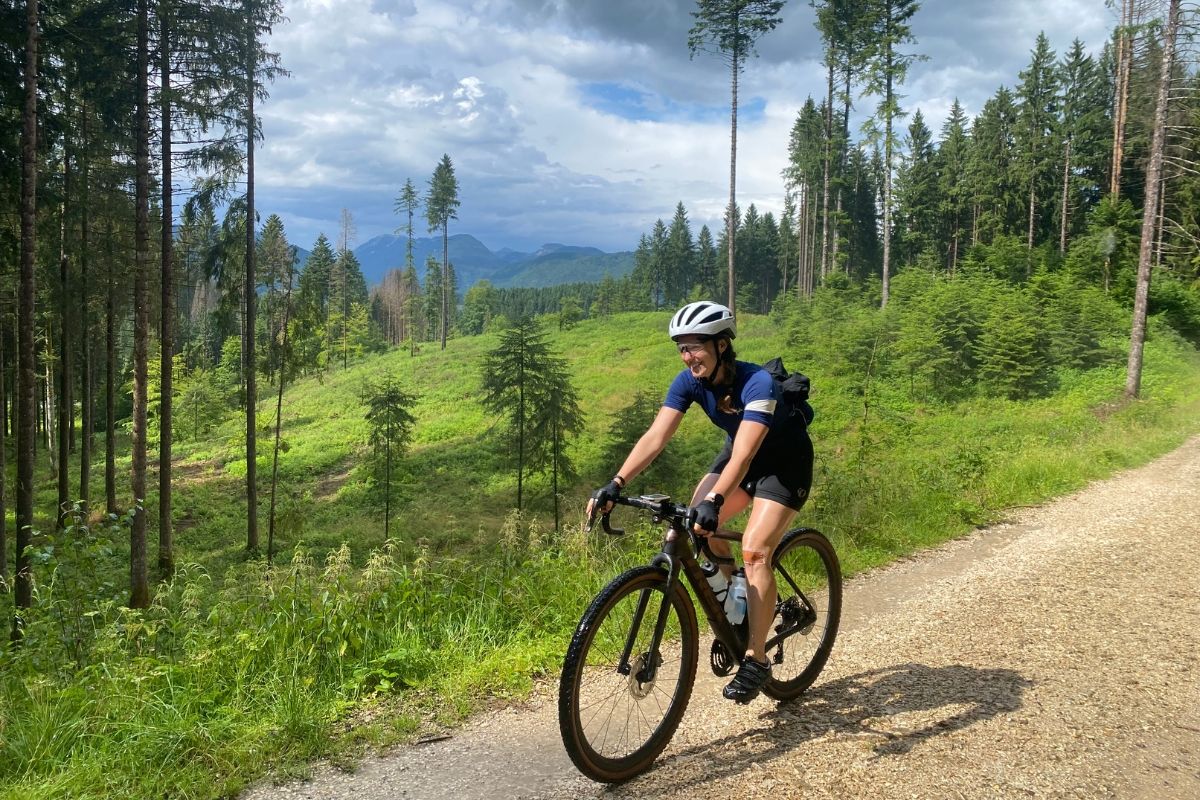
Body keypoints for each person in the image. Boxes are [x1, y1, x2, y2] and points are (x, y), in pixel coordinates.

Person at [587, 300, 814, 704]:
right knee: (697, 527)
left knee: (756, 551)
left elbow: (745, 454)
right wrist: (616, 482)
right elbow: (656, 436)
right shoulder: (688, 382)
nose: (688, 356)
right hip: (740, 459)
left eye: (696, 346)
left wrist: (715, 498)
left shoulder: (757, 383)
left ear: (721, 345)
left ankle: (756, 658)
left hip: (783, 464)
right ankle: (740, 602)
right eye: (682, 348)